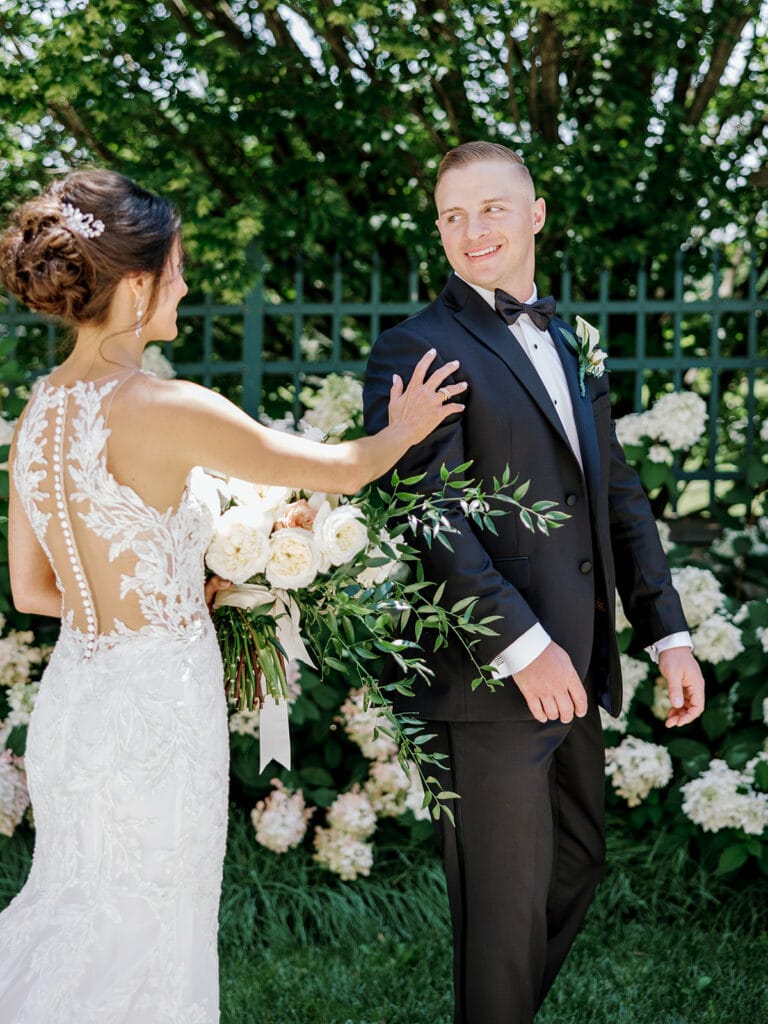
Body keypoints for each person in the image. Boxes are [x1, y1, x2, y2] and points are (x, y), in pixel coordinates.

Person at [0, 168, 466, 1023]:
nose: (184, 282)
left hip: (76, 702)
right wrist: (405, 428)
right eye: (175, 267)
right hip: (160, 713)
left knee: (77, 908)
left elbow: (33, 591)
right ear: (135, 284)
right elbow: (344, 468)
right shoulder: (166, 406)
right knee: (153, 929)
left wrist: (167, 598)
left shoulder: (37, 413)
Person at [363, 141, 706, 1024]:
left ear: (536, 214)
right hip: (488, 678)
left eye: (492, 208)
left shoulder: (567, 338)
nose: (473, 230)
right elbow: (426, 514)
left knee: (578, 861)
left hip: (576, 669)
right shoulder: (415, 346)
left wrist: (666, 631)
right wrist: (522, 648)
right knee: (503, 912)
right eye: (452, 216)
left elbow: (616, 496)